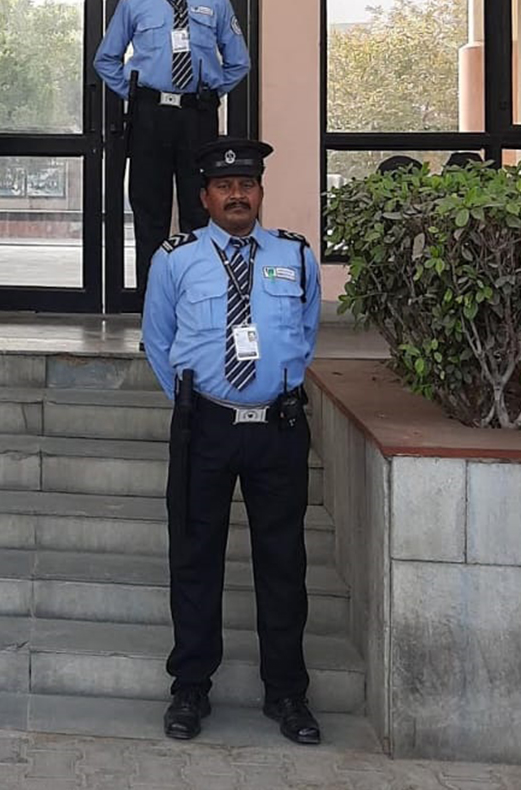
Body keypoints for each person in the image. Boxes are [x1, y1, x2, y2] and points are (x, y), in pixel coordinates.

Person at [141, 138, 323, 746]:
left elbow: (305, 333)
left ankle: (287, 693)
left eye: (246, 184)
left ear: (260, 193)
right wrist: (199, 403)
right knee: (195, 558)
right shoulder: (176, 259)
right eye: (225, 186)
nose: (237, 194)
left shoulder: (295, 255)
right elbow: (158, 339)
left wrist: (273, 385)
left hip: (277, 428)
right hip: (207, 428)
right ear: (205, 197)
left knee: (283, 561)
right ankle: (191, 687)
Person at [95, 0, 250, 296]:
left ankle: (199, 300)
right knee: (150, 213)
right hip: (150, 118)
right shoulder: (135, 2)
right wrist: (135, 94)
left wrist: (210, 92)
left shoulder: (215, 1)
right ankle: (153, 306)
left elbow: (239, 62)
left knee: (201, 210)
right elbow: (106, 59)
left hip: (198, 117)